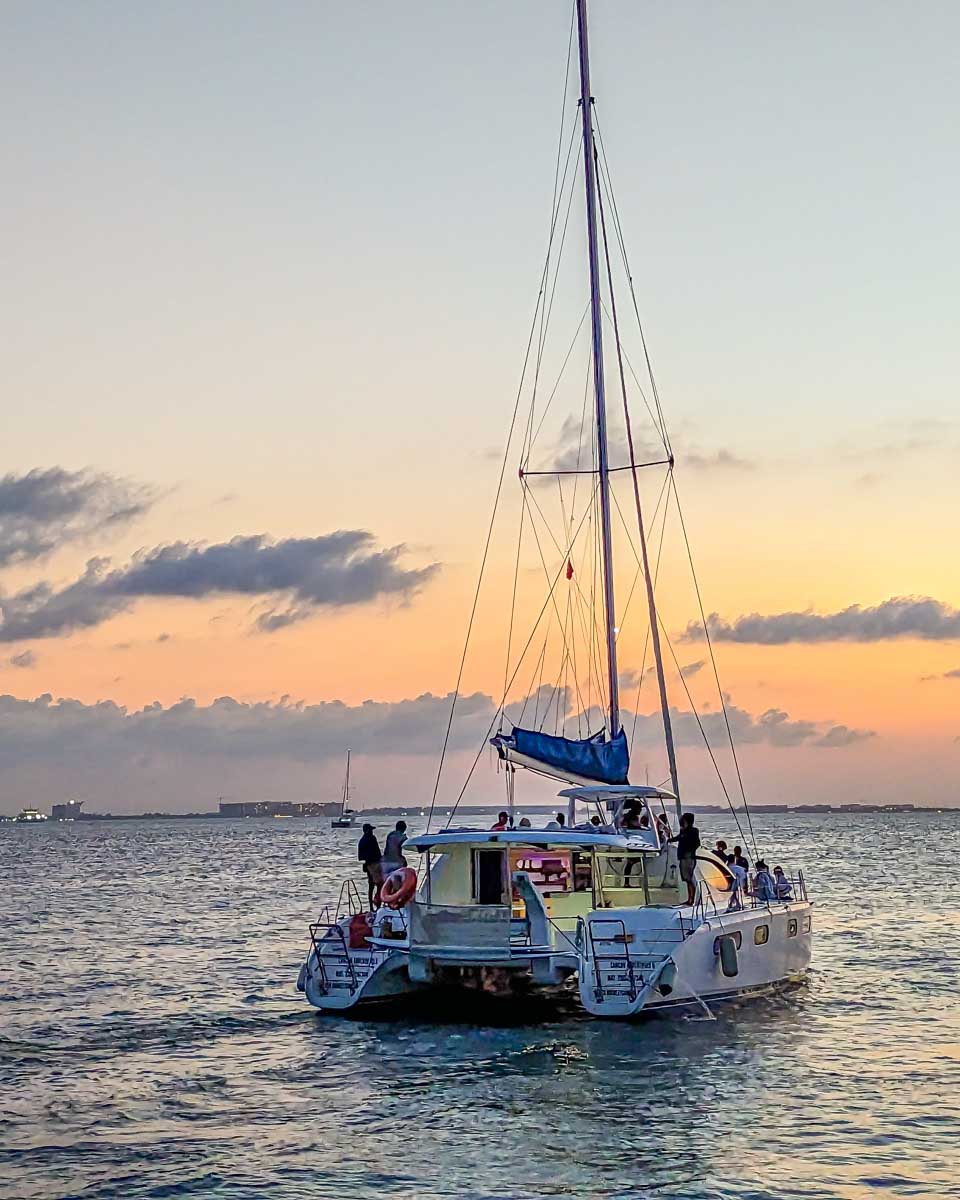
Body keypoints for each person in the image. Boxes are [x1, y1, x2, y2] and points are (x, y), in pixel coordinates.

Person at [669, 812, 701, 907]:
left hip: (688, 857)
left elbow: (696, 843)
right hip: (684, 857)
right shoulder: (684, 831)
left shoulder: (693, 831)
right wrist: (670, 840)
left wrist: (689, 851)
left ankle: (691, 899)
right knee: (687, 879)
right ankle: (689, 898)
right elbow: (678, 838)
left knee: (689, 878)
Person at [357, 823, 382, 909]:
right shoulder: (371, 839)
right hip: (373, 864)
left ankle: (372, 905)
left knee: (371, 885)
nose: (372, 831)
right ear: (367, 831)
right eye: (370, 830)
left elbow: (360, 856)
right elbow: (377, 852)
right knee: (379, 884)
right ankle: (377, 904)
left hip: (369, 865)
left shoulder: (362, 840)